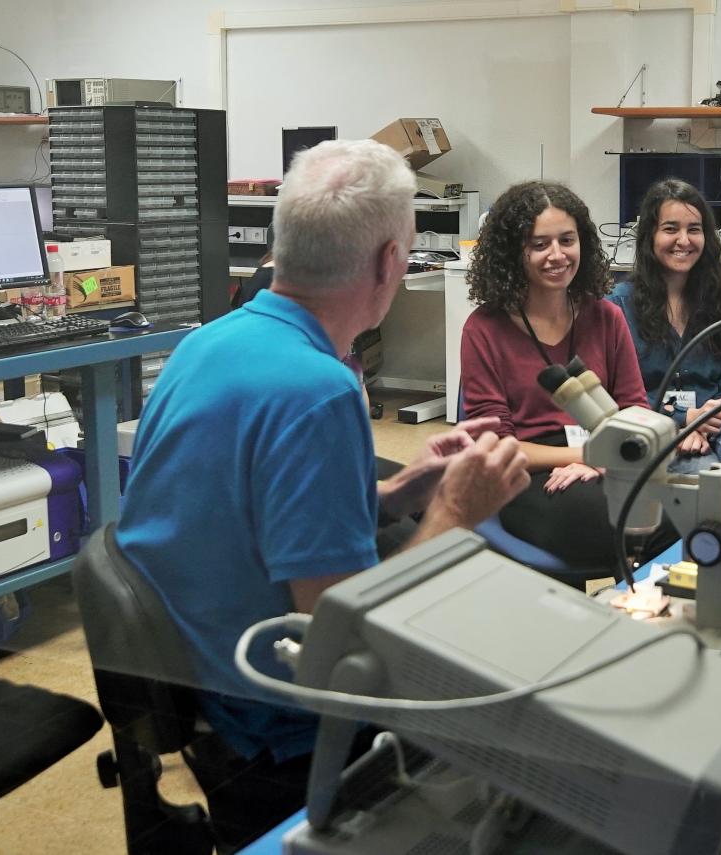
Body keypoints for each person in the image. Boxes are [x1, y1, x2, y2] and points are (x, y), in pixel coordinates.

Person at [115, 139, 529, 850]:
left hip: (200, 682)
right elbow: (340, 645)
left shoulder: (206, 344)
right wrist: (456, 512)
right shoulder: (319, 390)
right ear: (389, 262)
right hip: (274, 725)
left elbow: (246, 514)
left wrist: (397, 493)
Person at [460, 180, 675, 577]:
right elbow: (495, 449)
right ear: (513, 252)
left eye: (566, 240)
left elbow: (634, 411)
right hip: (527, 474)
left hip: (607, 460)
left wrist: (602, 462)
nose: (556, 255)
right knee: (615, 519)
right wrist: (588, 457)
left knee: (676, 518)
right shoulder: (483, 329)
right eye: (539, 244)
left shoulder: (606, 317)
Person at [607, 179, 721, 493]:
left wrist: (708, 417)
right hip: (647, 422)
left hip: (716, 422)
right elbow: (616, 395)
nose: (683, 240)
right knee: (698, 469)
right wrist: (681, 421)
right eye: (670, 228)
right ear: (650, 237)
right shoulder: (617, 307)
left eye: (694, 229)